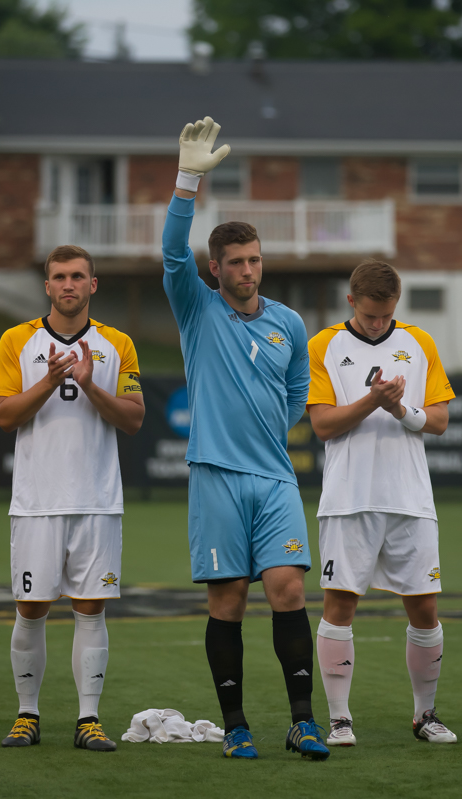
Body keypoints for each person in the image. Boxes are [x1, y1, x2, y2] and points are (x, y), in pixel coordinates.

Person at [162, 116, 329, 761]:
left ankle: (302, 722)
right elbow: (173, 254)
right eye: (236, 263)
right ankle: (235, 727)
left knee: (288, 589)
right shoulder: (197, 308)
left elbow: (295, 393)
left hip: (275, 478)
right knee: (227, 600)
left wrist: (266, 433)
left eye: (255, 261)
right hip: (214, 478)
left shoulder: (288, 322)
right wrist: (186, 183)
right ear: (218, 268)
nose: (248, 271)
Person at [0, 245, 145, 751]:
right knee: (30, 608)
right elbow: (5, 416)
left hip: (97, 500)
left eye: (79, 276)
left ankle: (88, 719)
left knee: (91, 609)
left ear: (93, 285)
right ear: (48, 286)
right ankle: (27, 714)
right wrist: (50, 381)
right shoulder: (18, 340)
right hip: (36, 502)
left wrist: (91, 384)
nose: (69, 284)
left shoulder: (118, 343)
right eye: (60, 277)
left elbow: (134, 418)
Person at [308, 259, 457, 747]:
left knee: (425, 607)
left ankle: (425, 714)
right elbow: (324, 425)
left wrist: (399, 407)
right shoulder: (324, 345)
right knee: (339, 605)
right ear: (351, 302)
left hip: (410, 498)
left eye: (386, 314)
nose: (378, 323)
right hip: (349, 497)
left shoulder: (419, 342)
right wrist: (374, 401)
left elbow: (437, 420)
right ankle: (339, 718)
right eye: (370, 315)